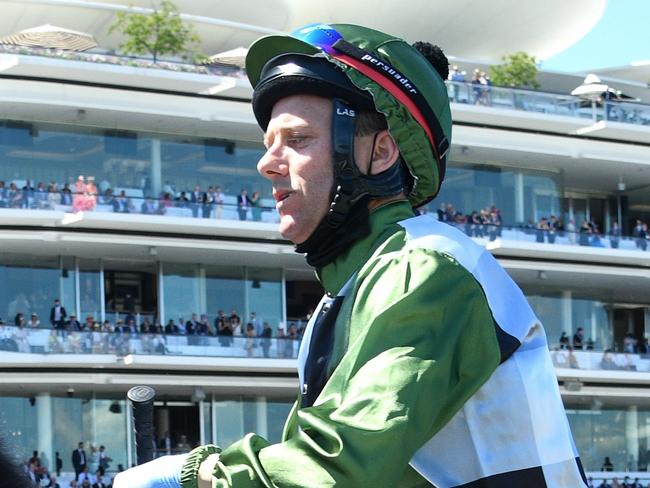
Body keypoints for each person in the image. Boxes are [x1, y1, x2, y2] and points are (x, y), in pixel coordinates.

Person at [114, 23, 586, 487]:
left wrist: (196, 478)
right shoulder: (360, 285)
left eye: (297, 140)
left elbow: (336, 469)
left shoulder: (423, 268)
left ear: (380, 153)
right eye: (268, 145)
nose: (266, 164)